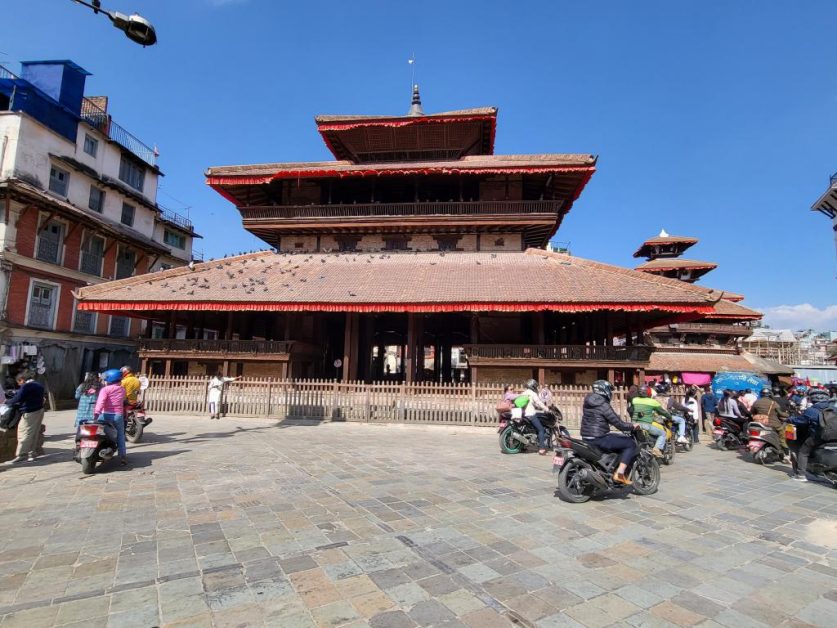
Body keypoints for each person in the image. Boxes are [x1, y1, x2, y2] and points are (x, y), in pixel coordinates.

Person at [580, 379, 639, 485]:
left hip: (586, 437)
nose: (610, 393)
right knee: (630, 444)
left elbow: (596, 417)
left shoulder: (588, 401)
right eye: (609, 390)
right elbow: (618, 423)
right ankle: (620, 473)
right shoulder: (603, 404)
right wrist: (631, 426)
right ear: (604, 390)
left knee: (615, 437)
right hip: (599, 437)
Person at [790, 387, 833, 481]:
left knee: (803, 451)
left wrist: (790, 419)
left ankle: (800, 475)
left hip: (820, 437)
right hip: (834, 436)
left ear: (812, 399)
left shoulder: (811, 410)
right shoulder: (833, 408)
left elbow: (801, 421)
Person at [5, 371, 45, 463]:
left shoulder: (26, 387)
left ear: (22, 380)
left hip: (30, 412)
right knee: (34, 432)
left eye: (19, 383)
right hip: (39, 410)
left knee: (24, 432)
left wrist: (7, 402)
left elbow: (18, 398)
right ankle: (32, 453)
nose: (19, 385)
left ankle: (22, 454)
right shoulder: (39, 385)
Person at [95, 369, 127, 465]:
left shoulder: (105, 389)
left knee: (99, 433)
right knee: (120, 435)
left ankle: (100, 452)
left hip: (104, 415)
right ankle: (123, 457)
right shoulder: (122, 389)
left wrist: (96, 413)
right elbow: (123, 399)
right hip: (118, 415)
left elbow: (101, 402)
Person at [630, 385, 670, 458]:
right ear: (648, 393)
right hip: (646, 425)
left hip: (634, 424)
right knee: (663, 433)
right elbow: (662, 412)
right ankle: (656, 449)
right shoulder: (652, 402)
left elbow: (630, 409)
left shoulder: (634, 400)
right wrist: (670, 417)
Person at [750, 386, 789, 457]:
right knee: (782, 435)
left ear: (761, 394)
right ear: (769, 394)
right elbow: (780, 413)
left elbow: (752, 412)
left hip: (760, 423)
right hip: (773, 424)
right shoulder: (773, 403)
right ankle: (786, 453)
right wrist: (788, 415)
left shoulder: (756, 402)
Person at [518, 378, 550, 455]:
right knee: (541, 430)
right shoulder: (533, 393)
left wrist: (536, 406)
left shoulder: (524, 393)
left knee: (525, 431)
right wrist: (547, 409)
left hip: (522, 415)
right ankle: (542, 449)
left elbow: (532, 403)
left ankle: (523, 446)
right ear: (533, 386)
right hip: (530, 414)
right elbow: (539, 402)